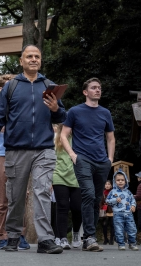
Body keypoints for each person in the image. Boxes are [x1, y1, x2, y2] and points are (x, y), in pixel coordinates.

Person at [0, 45, 66, 254]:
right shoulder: (11, 86)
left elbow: (61, 117)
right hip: (16, 149)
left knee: (42, 193)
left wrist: (56, 109)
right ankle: (13, 236)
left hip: (44, 149)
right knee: (16, 195)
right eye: (29, 56)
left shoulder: (49, 85)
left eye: (37, 56)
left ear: (41, 61)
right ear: (21, 61)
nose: (33, 59)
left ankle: (45, 240)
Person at [61, 77, 115, 252]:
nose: (97, 90)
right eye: (93, 88)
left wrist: (110, 159)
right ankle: (90, 237)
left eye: (99, 87)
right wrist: (72, 155)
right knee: (88, 194)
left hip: (102, 161)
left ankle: (87, 238)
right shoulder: (75, 112)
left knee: (96, 199)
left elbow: (110, 137)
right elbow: (63, 135)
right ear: (85, 92)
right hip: (83, 158)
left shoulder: (105, 113)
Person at [0, 74, 30, 250]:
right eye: (6, 87)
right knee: (2, 200)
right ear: (0, 89)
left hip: (19, 153)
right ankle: (3, 235)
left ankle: (21, 235)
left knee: (20, 198)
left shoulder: (21, 107)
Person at [52, 124, 82, 249]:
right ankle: (62, 237)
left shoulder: (78, 138)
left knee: (77, 207)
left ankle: (75, 233)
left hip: (76, 176)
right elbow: (51, 160)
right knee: (62, 206)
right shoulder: (55, 139)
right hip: (59, 175)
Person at [106, 170, 138, 251]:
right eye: (118, 180)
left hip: (129, 214)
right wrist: (115, 200)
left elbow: (133, 200)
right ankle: (121, 244)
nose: (120, 182)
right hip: (117, 214)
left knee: (132, 229)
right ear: (115, 181)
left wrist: (133, 206)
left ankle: (132, 243)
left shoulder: (128, 192)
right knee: (119, 230)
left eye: (122, 180)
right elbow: (107, 201)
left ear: (125, 181)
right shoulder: (112, 192)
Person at [100, 180, 114, 245]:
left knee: (112, 225)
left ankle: (111, 239)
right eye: (106, 184)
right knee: (104, 225)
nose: (107, 185)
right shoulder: (102, 193)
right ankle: (105, 239)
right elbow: (100, 202)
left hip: (112, 210)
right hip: (104, 210)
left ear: (111, 185)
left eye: (109, 184)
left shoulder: (114, 192)